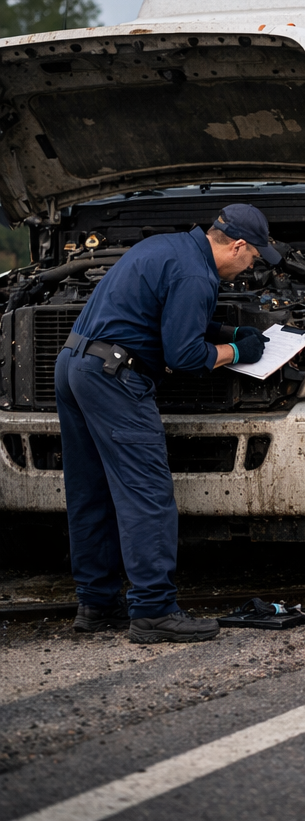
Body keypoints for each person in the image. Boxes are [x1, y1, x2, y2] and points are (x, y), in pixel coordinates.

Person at [58, 204, 279, 644]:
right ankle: (154, 611)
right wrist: (237, 353)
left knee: (92, 492)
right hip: (115, 378)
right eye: (252, 258)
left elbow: (163, 314)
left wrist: (224, 333)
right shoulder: (198, 276)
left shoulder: (168, 247)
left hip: (74, 365)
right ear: (237, 245)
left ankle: (97, 603)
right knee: (147, 495)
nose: (249, 269)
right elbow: (183, 356)